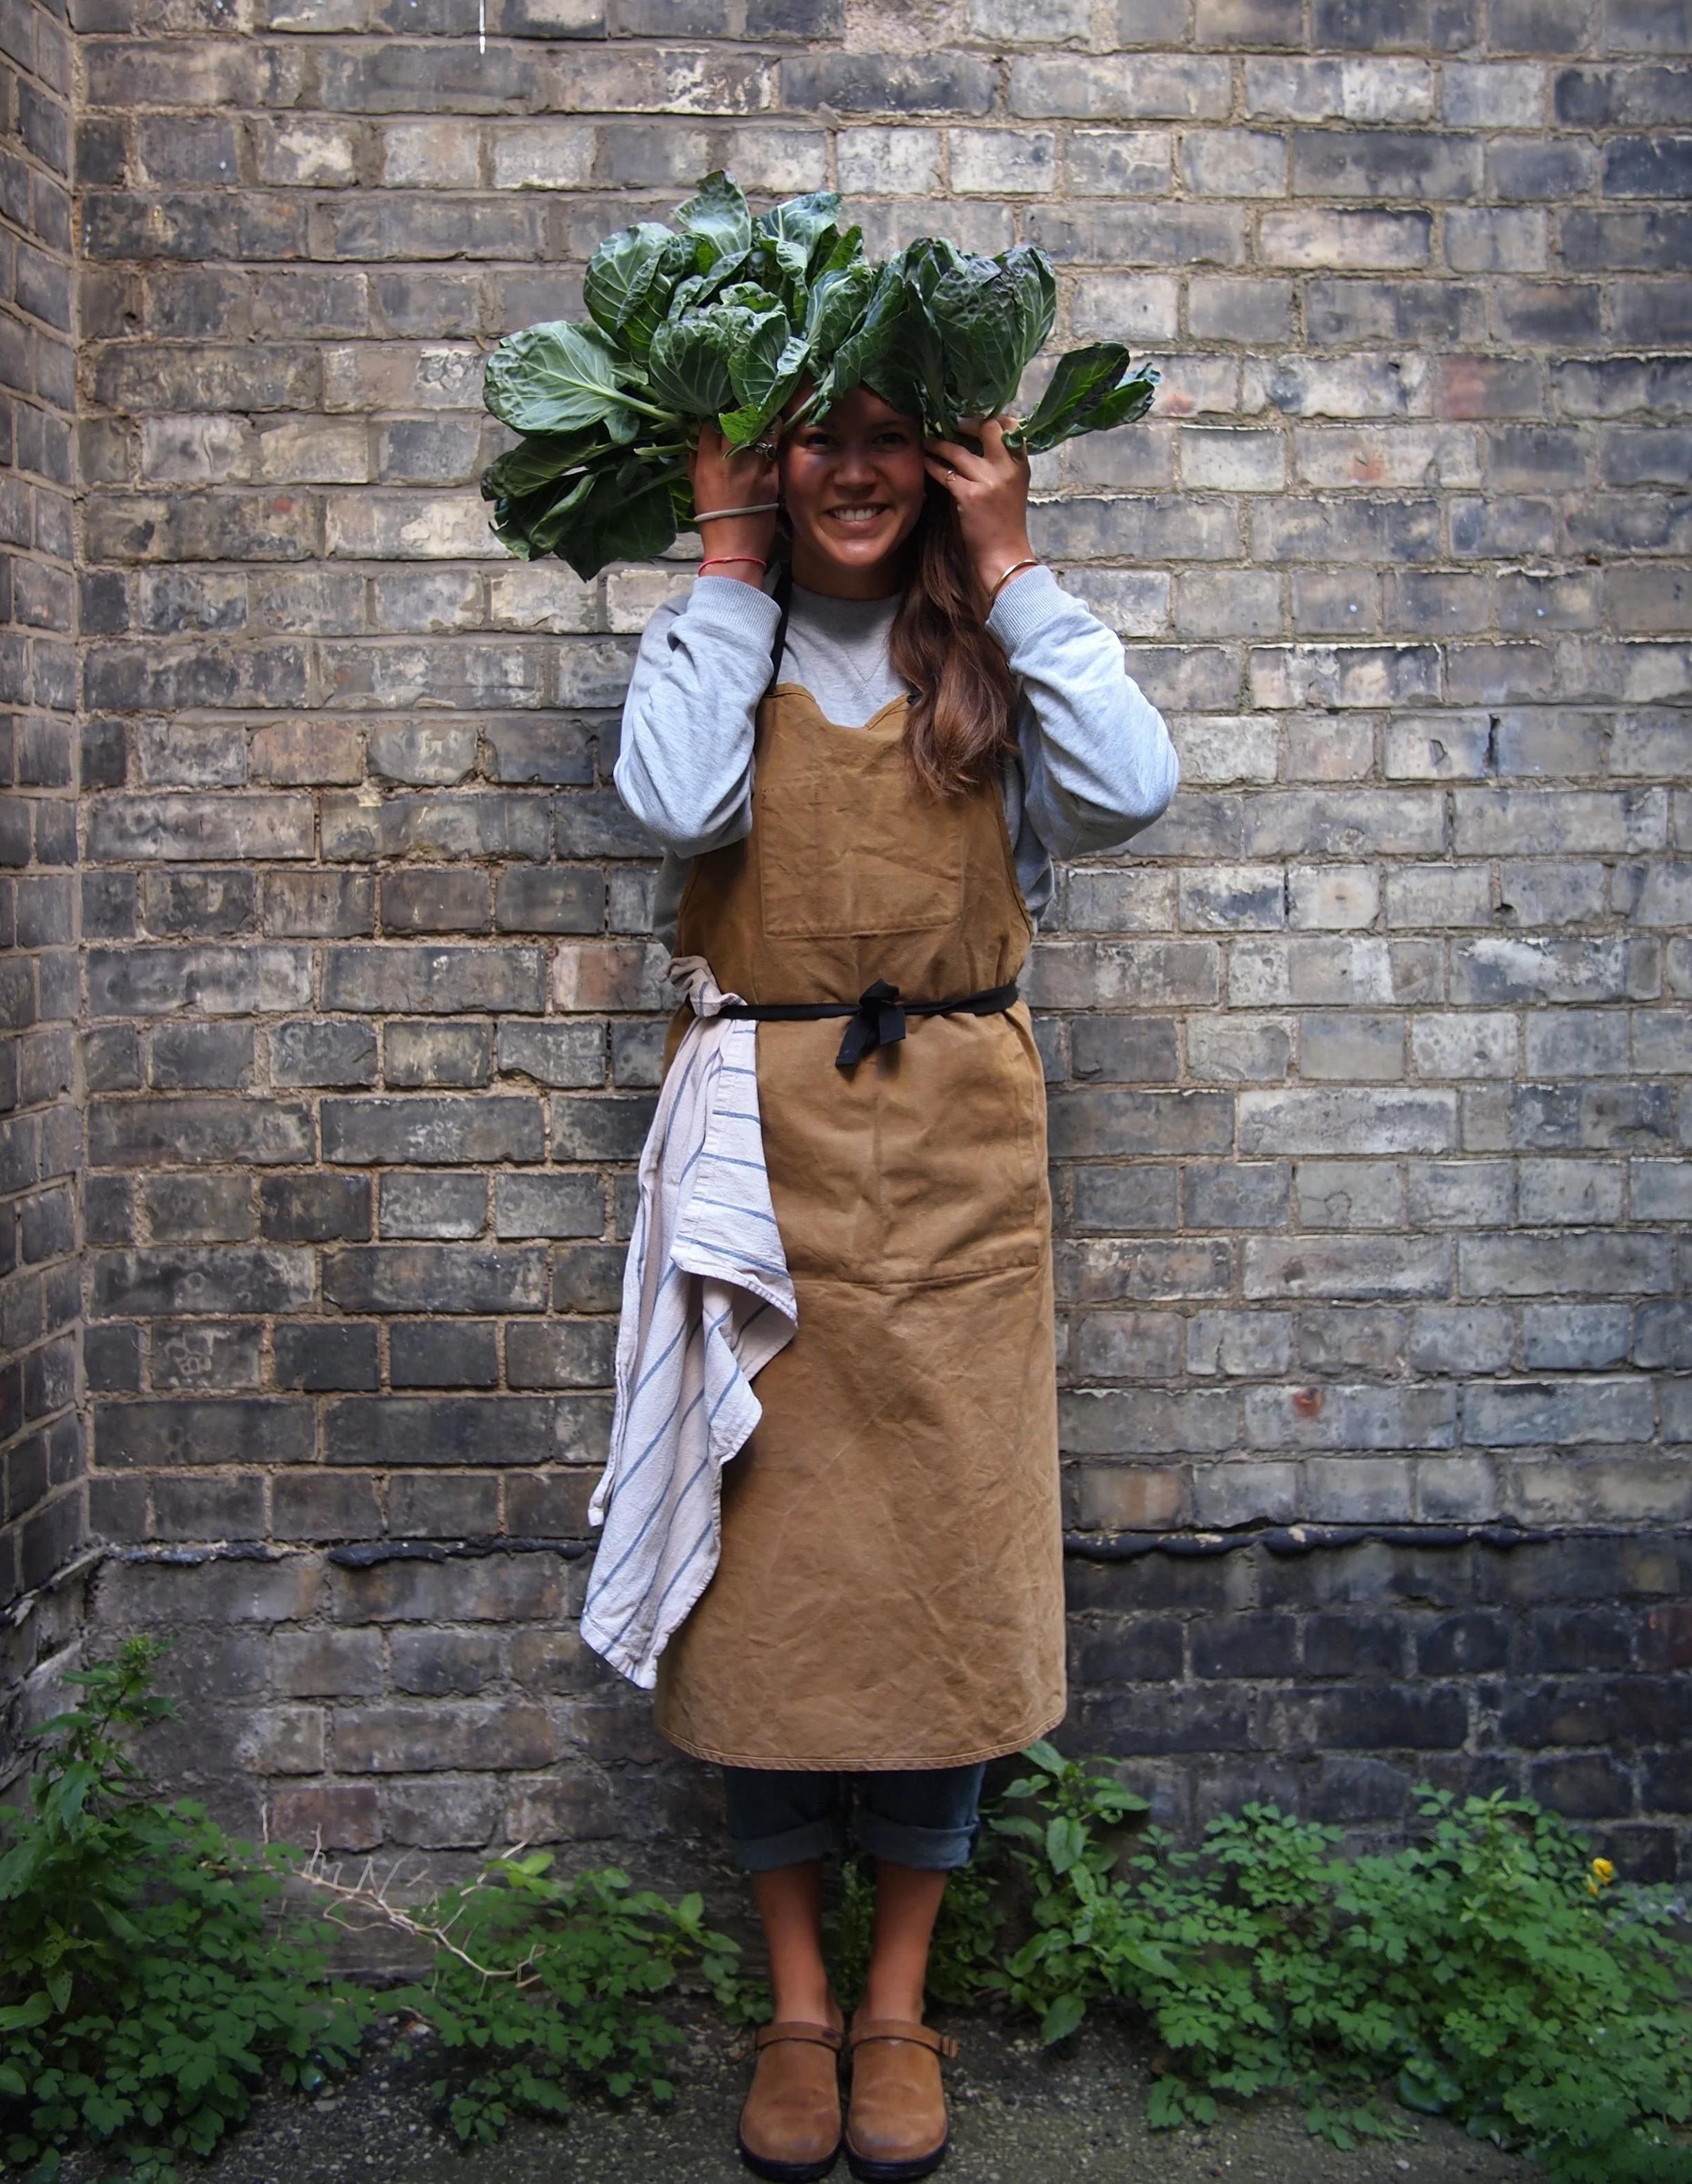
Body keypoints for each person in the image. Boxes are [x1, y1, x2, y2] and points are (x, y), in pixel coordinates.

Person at [613, 383, 1179, 2183]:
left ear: (944, 465)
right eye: (809, 444)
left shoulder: (989, 657)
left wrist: (1010, 565)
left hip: (957, 1159)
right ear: (762, 468)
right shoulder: (719, 637)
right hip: (754, 1165)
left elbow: (1132, 791)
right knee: (763, 1568)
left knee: (940, 1560)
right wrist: (721, 558)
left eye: (886, 442)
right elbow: (672, 799)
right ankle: (795, 2003)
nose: (848, 475)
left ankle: (898, 2006)